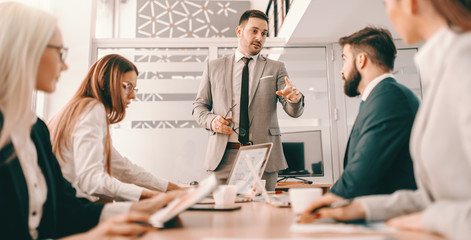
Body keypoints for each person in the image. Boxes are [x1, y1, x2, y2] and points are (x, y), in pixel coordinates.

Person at [0, 2, 178, 239]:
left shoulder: (35, 128)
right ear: (26, 49)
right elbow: (93, 180)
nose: (65, 65)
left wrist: (138, 206)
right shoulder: (90, 108)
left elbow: (64, 206)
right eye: (60, 52)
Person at [300, 0, 471, 239]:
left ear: (410, 3)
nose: (388, 12)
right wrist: (360, 208)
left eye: (386, 3)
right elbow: (432, 196)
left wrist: (430, 219)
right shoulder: (445, 67)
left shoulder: (464, 60)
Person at [192, 9, 304, 190]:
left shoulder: (276, 68)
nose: (260, 37)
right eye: (254, 31)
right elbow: (199, 107)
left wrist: (294, 100)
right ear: (239, 31)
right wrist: (212, 121)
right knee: (221, 213)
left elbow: (293, 111)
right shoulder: (214, 67)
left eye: (264, 33)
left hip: (264, 158)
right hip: (223, 157)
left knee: (263, 216)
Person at [48, 54, 182, 203]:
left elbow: (123, 169)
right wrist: (150, 195)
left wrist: (174, 189)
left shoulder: (77, 108)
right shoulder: (93, 110)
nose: (132, 96)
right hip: (74, 211)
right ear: (106, 82)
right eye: (127, 86)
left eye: (134, 89)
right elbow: (92, 180)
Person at [327, 27, 418, 199]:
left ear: (361, 60)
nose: (342, 71)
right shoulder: (380, 97)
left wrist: (319, 204)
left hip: (388, 217)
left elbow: (360, 177)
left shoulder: (390, 99)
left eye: (345, 60)